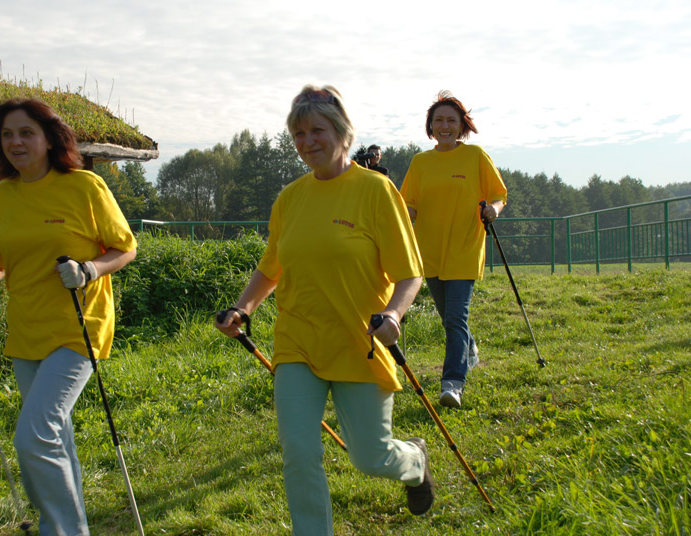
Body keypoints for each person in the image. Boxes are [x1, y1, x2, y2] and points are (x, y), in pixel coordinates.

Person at [215, 85, 434, 535]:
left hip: (361, 341)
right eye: (298, 134)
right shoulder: (290, 199)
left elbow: (410, 273)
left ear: (342, 133)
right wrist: (242, 308)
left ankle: (413, 460)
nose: (307, 141)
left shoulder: (376, 191)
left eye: (317, 130)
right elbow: (270, 269)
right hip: (298, 341)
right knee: (299, 450)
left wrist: (393, 315)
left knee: (369, 457)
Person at [0, 98, 137, 536]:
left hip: (80, 328)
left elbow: (125, 247)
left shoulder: (85, 187)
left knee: (34, 435)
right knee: (54, 437)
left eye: (26, 133)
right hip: (26, 332)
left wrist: (89, 270)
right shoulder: (1, 196)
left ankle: (59, 531)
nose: (16, 142)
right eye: (7, 135)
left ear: (48, 138)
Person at [400, 90, 507, 409]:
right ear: (430, 127)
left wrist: (494, 210)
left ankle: (453, 384)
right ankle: (469, 350)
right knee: (449, 318)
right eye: (438, 121)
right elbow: (409, 204)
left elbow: (499, 194)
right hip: (428, 251)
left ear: (462, 126)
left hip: (464, 248)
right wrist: (404, 217)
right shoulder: (421, 162)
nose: (444, 126)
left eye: (451, 120)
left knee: (456, 316)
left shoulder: (475, 157)